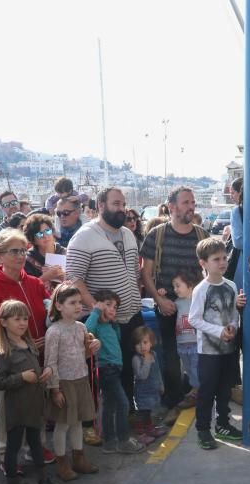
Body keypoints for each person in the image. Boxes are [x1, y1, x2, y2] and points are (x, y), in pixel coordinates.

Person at [0, 229, 52, 467]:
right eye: (14, 251)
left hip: (36, 356)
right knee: (8, 410)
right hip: (7, 360)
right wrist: (25, 345)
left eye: (23, 250)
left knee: (36, 405)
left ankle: (35, 447)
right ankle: (7, 454)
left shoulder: (34, 283)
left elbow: (48, 313)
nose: (20, 256)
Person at [65, 187, 143, 407]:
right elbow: (73, 278)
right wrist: (98, 308)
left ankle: (129, 417)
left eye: (123, 204)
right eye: (116, 204)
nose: (122, 209)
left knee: (130, 369)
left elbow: (134, 272)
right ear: (100, 205)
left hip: (132, 316)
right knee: (111, 377)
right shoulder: (84, 237)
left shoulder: (128, 234)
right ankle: (112, 426)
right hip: (105, 323)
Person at [140, 186, 208, 412]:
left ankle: (198, 391)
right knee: (171, 354)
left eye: (192, 202)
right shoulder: (156, 235)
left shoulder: (202, 236)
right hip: (167, 307)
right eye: (186, 202)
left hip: (197, 310)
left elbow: (211, 274)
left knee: (199, 353)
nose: (191, 206)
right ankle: (174, 399)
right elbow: (145, 274)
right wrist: (160, 302)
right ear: (172, 207)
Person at [0, 299, 57, 484]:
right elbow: (0, 382)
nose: (22, 323)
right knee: (13, 447)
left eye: (25, 319)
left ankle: (43, 479)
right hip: (17, 407)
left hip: (34, 404)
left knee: (36, 443)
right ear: (3, 322)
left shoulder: (28, 343)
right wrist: (22, 378)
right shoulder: (3, 351)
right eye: (16, 319)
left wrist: (44, 373)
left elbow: (34, 372)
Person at [189, 238, 245, 449]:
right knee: (207, 390)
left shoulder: (231, 285)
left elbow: (232, 314)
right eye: (216, 259)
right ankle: (203, 429)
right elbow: (194, 319)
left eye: (224, 258)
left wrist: (232, 327)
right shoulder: (201, 290)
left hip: (229, 348)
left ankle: (223, 424)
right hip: (209, 351)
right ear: (203, 263)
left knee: (225, 388)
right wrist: (218, 331)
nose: (222, 263)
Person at [44, 284, 100, 480]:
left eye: (79, 302)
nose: (78, 306)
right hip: (64, 383)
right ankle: (62, 463)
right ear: (59, 306)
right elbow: (50, 362)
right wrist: (55, 389)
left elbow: (84, 354)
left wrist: (94, 346)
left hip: (80, 379)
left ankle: (79, 458)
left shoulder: (81, 327)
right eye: (72, 303)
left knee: (77, 422)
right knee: (62, 424)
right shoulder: (54, 332)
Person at [86, 290, 145, 455]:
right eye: (108, 305)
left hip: (114, 370)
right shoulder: (95, 324)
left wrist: (114, 323)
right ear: (97, 305)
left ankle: (110, 443)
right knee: (123, 403)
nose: (112, 309)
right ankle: (123, 440)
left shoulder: (111, 326)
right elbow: (86, 330)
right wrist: (96, 311)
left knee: (110, 406)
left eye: (115, 307)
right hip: (106, 370)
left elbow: (116, 342)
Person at [172, 271, 201, 406]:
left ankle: (197, 391)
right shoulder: (177, 302)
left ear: (190, 286)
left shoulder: (198, 300)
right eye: (174, 286)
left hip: (195, 343)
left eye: (178, 286)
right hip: (182, 343)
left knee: (195, 369)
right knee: (188, 369)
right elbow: (165, 309)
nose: (175, 289)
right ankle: (196, 389)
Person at [131, 327, 163, 444]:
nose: (142, 346)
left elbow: (157, 370)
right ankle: (140, 433)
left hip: (153, 389)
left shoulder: (153, 354)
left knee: (148, 411)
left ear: (151, 343)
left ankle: (149, 428)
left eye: (145, 342)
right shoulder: (136, 359)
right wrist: (147, 360)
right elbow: (142, 375)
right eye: (138, 343)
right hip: (143, 392)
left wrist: (161, 385)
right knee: (142, 412)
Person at [21, 213, 66, 286]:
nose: (45, 236)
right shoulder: (27, 260)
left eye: (48, 231)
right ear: (33, 239)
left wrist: (63, 276)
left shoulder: (66, 253)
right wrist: (45, 277)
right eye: (40, 234)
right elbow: (27, 288)